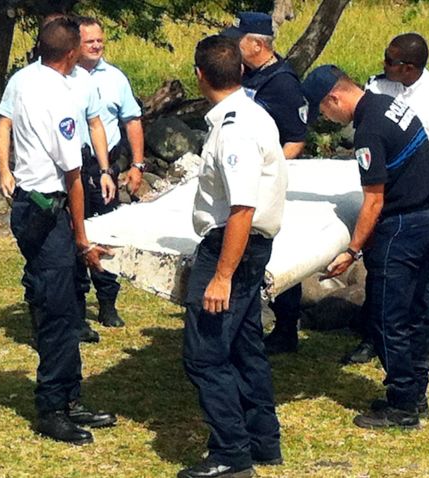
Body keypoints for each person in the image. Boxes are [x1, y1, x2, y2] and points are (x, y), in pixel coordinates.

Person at [302, 65, 429, 429]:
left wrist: (352, 250)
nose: (325, 119)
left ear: (334, 98)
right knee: (416, 311)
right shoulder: (388, 105)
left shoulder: (368, 131)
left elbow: (374, 201)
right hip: (428, 216)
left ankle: (402, 406)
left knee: (386, 318)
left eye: (323, 111)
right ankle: (416, 393)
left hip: (400, 228)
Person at [180, 35, 287, 478]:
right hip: (246, 246)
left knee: (205, 354)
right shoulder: (253, 113)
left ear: (200, 76)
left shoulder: (234, 129)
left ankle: (231, 454)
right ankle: (262, 439)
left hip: (232, 247)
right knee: (244, 348)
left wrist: (221, 275)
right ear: (242, 71)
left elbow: (242, 207)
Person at [5, 17, 115, 444]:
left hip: (32, 206)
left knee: (68, 306)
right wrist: (84, 238)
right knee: (58, 312)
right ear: (71, 54)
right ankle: (52, 406)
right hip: (47, 211)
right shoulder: (59, 96)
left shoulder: (25, 80)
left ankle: (71, 397)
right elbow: (72, 175)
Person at [342, 32, 429, 365]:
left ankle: (420, 345)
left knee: (419, 279)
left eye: (390, 59)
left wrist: (424, 199)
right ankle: (372, 337)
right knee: (379, 270)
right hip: (381, 193)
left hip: (415, 201)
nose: (383, 64)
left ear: (409, 67)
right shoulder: (377, 86)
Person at [221, 11, 307, 355]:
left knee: (276, 252)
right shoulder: (249, 77)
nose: (233, 45)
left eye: (238, 39)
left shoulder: (283, 82)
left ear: (257, 44)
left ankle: (286, 329)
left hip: (269, 183)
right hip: (245, 175)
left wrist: (272, 173)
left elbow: (297, 138)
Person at [74, 16, 147, 328]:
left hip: (107, 168)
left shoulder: (115, 77)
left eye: (99, 40)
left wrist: (137, 165)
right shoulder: (64, 77)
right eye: (89, 41)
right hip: (75, 167)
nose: (96, 46)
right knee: (74, 234)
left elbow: (132, 120)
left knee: (107, 232)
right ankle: (75, 305)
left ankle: (107, 303)